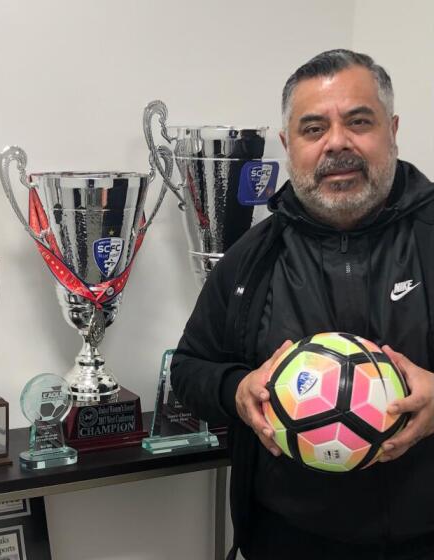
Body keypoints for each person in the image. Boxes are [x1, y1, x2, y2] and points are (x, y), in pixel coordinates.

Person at [171, 49, 434, 560]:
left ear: (393, 129)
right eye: (314, 129)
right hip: (286, 542)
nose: (338, 142)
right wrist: (237, 389)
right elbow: (189, 368)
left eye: (359, 121)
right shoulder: (251, 256)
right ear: (289, 145)